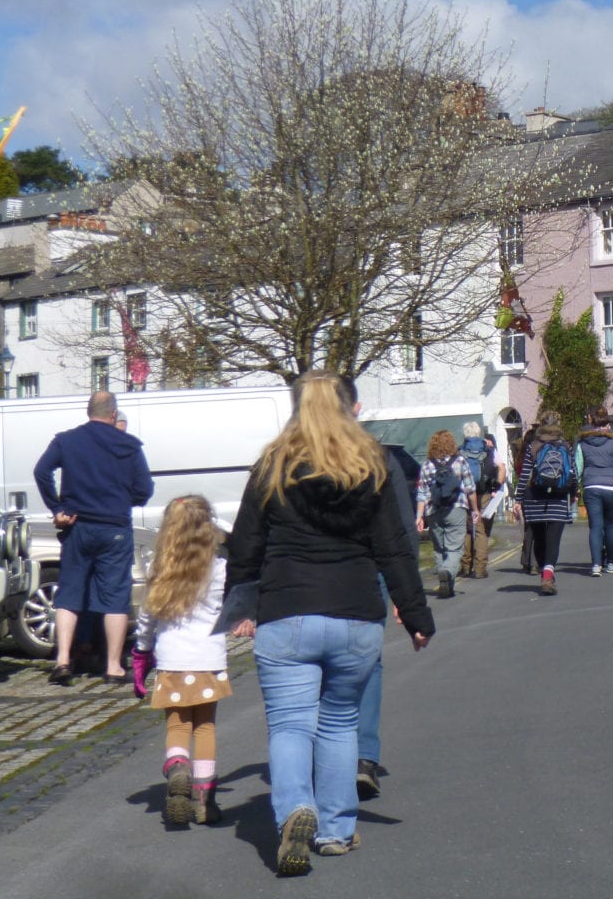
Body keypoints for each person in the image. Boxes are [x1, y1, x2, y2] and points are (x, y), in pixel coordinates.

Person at [227, 371, 434, 876]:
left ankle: (296, 807)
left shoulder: (273, 466)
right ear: (349, 406)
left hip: (287, 612)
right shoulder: (373, 465)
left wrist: (241, 608)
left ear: (295, 407)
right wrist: (416, 614)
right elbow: (394, 546)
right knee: (341, 723)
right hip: (354, 615)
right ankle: (337, 829)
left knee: (291, 725)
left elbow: (245, 546)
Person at [33, 390, 155, 687]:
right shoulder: (128, 445)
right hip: (114, 527)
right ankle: (113, 666)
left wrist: (57, 508)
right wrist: (124, 498)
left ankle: (63, 661)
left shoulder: (67, 440)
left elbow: (41, 471)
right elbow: (144, 490)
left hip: (78, 526)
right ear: (114, 415)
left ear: (89, 412)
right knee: (115, 596)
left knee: (70, 593)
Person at [341, 376, 422, 804]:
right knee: (367, 665)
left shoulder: (287, 457)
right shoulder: (377, 457)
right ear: (356, 408)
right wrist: (406, 598)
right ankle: (363, 758)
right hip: (367, 572)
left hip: (308, 580)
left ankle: (329, 757)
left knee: (316, 670)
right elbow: (401, 531)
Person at [131, 495, 233, 827]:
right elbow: (230, 609)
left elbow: (147, 617)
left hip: (172, 661)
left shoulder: (160, 569)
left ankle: (177, 767)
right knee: (205, 727)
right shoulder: (219, 568)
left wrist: (141, 653)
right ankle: (204, 799)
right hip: (208, 660)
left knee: (177, 725)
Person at [415, 430, 479, 599]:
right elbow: (470, 488)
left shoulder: (427, 465)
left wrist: (419, 516)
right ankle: (447, 572)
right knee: (455, 548)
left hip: (433, 511)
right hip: (456, 508)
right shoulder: (460, 462)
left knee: (439, 548)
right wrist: (475, 509)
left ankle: (446, 585)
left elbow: (421, 494)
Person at [514, 410, 573, 596]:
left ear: (541, 424)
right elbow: (573, 472)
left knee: (539, 539)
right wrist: (574, 493)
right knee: (553, 541)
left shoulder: (534, 445)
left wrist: (518, 498)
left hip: (535, 497)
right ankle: (548, 576)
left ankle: (543, 572)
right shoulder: (566, 446)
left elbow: (525, 475)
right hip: (558, 497)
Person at [574, 407, 613, 576]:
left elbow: (578, 469)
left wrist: (575, 489)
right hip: (611, 487)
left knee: (595, 527)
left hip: (591, 486)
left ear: (591, 423)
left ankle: (595, 565)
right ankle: (611, 562)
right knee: (611, 526)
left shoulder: (582, 444)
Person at [457, 421, 504, 579]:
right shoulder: (489, 449)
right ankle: (479, 568)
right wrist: (496, 486)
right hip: (484, 493)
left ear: (465, 435)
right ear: (479, 434)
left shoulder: (460, 450)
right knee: (482, 531)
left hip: (465, 494)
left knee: (467, 530)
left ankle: (465, 565)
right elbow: (501, 467)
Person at [513, 422, 540, 575]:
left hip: (525, 492)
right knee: (539, 528)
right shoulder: (538, 451)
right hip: (537, 490)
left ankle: (526, 560)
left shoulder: (522, 455)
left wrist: (518, 497)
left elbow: (519, 473)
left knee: (528, 528)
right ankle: (535, 562)